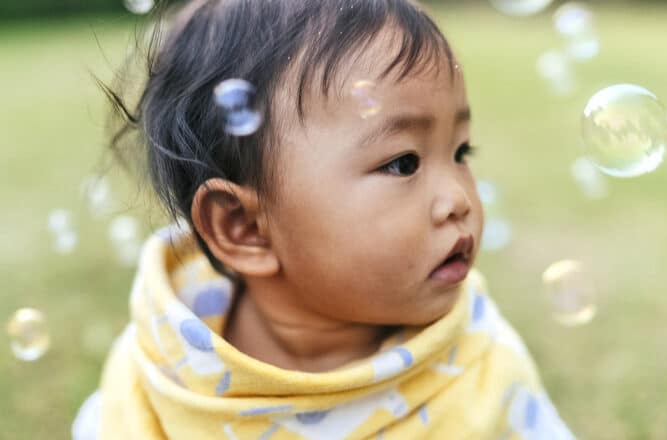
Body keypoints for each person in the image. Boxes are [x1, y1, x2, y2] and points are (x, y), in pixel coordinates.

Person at [73, 0, 575, 438]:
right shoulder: (158, 378)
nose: (460, 198)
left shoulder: (480, 368)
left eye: (461, 151)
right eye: (403, 163)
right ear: (244, 229)